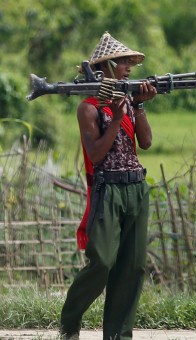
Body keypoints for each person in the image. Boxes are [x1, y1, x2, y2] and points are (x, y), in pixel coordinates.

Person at [59, 32, 156, 340]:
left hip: (136, 189)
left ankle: (118, 335)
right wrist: (115, 117)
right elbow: (97, 153)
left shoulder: (128, 100)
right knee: (101, 261)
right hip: (108, 190)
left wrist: (137, 106)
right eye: (123, 62)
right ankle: (70, 322)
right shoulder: (88, 108)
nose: (129, 68)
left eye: (130, 62)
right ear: (107, 67)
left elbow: (147, 142)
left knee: (133, 267)